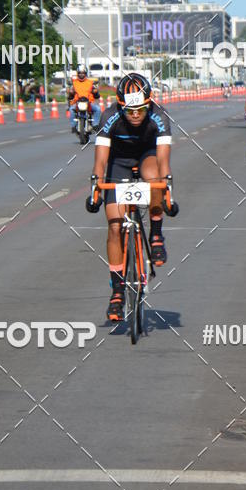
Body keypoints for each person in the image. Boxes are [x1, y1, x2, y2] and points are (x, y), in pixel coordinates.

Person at [86, 73, 173, 322]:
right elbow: (101, 159)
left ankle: (156, 234)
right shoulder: (109, 115)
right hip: (119, 160)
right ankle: (117, 291)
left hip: (147, 155)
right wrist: (95, 189)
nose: (135, 115)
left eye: (140, 109)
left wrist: (167, 192)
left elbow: (164, 161)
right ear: (120, 105)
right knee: (115, 226)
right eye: (129, 110)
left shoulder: (160, 115)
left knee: (155, 177)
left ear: (149, 103)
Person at [67, 64, 101, 133]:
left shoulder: (90, 83)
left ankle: (95, 125)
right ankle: (73, 126)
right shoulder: (74, 83)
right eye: (80, 73)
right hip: (77, 103)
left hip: (89, 103)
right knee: (71, 109)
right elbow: (70, 96)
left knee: (98, 109)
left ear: (85, 73)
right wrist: (70, 93)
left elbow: (96, 95)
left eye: (83, 73)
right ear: (77, 73)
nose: (81, 75)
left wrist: (95, 92)